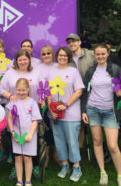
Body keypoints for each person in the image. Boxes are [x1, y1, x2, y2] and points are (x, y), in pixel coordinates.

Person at [82, 44, 121, 186]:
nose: (100, 56)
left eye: (103, 54)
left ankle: (120, 175)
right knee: (97, 141)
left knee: (113, 145)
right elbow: (85, 92)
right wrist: (84, 110)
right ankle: (103, 172)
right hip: (93, 110)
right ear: (94, 55)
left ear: (108, 53)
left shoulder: (115, 69)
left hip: (110, 112)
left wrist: (119, 93)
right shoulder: (90, 71)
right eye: (97, 54)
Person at [0, 49, 42, 180]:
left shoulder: (36, 71)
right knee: (15, 140)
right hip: (14, 111)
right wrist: (11, 95)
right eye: (20, 60)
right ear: (16, 61)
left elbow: (42, 87)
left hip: (32, 111)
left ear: (29, 60)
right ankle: (16, 166)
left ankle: (33, 165)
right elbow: (1, 89)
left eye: (25, 59)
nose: (23, 62)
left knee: (32, 140)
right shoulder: (9, 73)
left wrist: (42, 97)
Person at [47, 47, 84, 182]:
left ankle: (76, 167)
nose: (62, 58)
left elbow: (79, 91)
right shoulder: (51, 72)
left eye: (65, 56)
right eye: (60, 55)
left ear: (68, 58)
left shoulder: (73, 72)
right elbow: (48, 93)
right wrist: (51, 110)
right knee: (59, 140)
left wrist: (66, 104)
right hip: (55, 114)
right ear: (57, 57)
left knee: (72, 141)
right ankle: (65, 165)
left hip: (70, 112)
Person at [7, 78, 42, 186]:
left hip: (29, 136)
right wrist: (12, 132)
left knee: (27, 158)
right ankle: (19, 180)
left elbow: (35, 119)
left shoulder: (32, 103)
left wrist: (31, 134)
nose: (21, 92)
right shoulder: (13, 102)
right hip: (16, 135)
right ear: (15, 90)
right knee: (17, 158)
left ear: (28, 89)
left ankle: (27, 180)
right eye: (18, 90)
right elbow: (9, 118)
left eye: (23, 90)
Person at [66, 33, 95, 155]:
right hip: (76, 94)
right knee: (80, 123)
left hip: (92, 93)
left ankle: (98, 146)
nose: (71, 44)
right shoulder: (67, 58)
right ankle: (79, 149)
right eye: (69, 42)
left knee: (94, 121)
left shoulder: (91, 54)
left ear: (79, 42)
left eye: (74, 41)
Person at [35, 45, 59, 167]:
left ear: (52, 54)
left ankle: (57, 154)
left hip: (57, 103)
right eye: (43, 54)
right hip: (44, 104)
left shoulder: (57, 66)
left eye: (48, 53)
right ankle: (47, 155)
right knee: (47, 130)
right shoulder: (37, 69)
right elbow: (37, 87)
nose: (46, 56)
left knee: (57, 129)